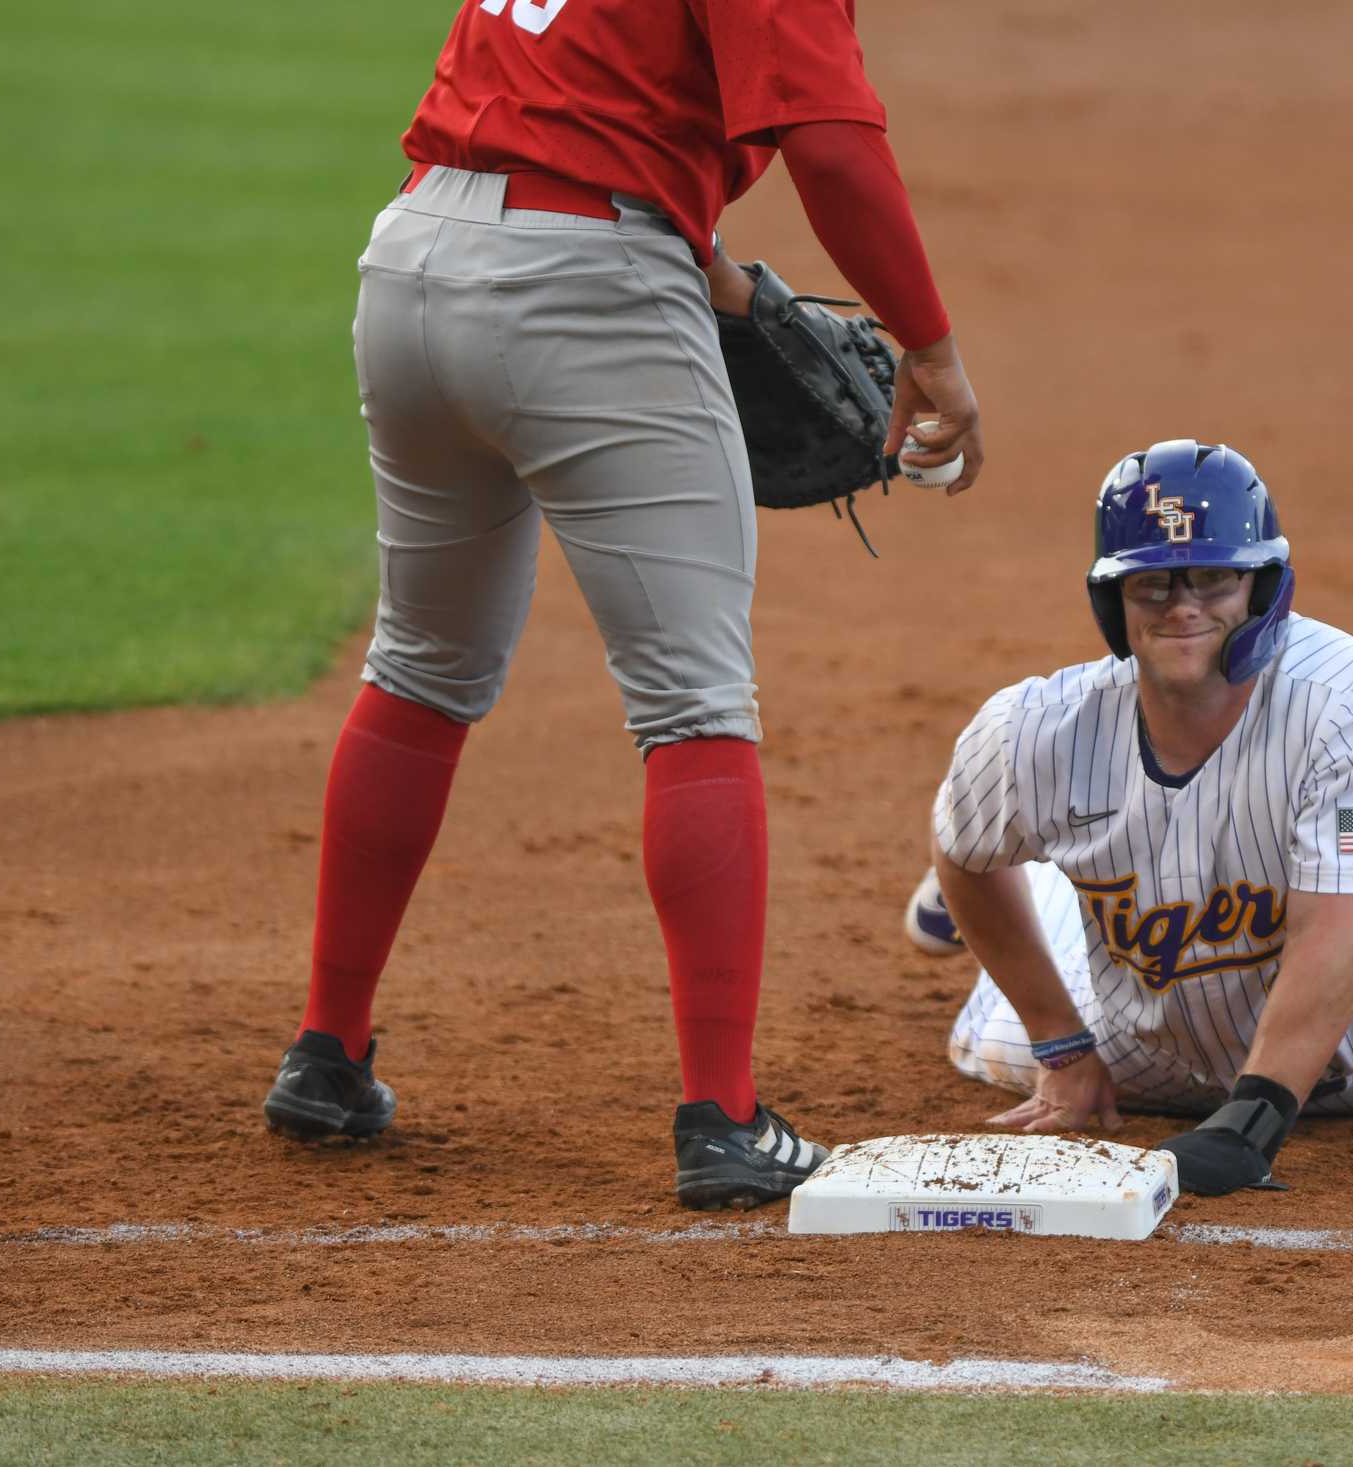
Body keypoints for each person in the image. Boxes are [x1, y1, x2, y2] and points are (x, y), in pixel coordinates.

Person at [261, 0, 983, 1212]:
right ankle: (723, 1118)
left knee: (421, 667)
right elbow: (832, 146)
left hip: (411, 264)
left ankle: (325, 1057)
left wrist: (734, 286)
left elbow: (572, 117)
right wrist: (935, 352)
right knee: (695, 701)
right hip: (584, 290)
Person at [903, 440, 1353, 1196]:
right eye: (1153, 584)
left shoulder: (1348, 695)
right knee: (978, 1014)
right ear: (1113, 600)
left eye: (1213, 577)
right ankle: (1009, 836)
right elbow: (958, 852)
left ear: (1261, 587)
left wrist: (1254, 1120)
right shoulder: (1036, 727)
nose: (1183, 604)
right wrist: (1062, 1045)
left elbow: (1337, 928)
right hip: (1148, 1054)